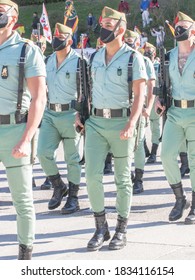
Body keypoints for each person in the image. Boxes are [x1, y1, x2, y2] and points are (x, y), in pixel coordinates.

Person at [76, 6, 147, 251]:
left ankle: (121, 229)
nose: (103, 29)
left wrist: (131, 123)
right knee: (92, 176)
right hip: (95, 123)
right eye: (103, 24)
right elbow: (87, 90)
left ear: (121, 29)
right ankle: (100, 227)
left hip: (121, 123)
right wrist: (80, 113)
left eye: (108, 25)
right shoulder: (94, 57)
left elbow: (140, 95)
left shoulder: (133, 58)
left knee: (122, 179)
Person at [0, 0, 46, 259]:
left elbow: (39, 97)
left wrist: (27, 137)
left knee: (22, 200)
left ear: (13, 16)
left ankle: (24, 257)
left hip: (15, 130)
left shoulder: (26, 50)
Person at [37, 23, 82, 215]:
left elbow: (84, 91)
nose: (55, 40)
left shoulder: (80, 62)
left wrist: (82, 114)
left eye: (60, 38)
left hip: (71, 114)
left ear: (69, 41)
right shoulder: (47, 60)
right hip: (50, 113)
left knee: (72, 159)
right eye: (54, 37)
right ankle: (58, 185)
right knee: (42, 153)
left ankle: (73, 197)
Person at [155, 11, 195, 224]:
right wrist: (157, 100)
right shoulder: (168, 56)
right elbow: (159, 83)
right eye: (177, 26)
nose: (178, 30)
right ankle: (180, 199)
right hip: (174, 113)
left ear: (193, 31)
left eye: (183, 27)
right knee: (167, 155)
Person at [124, 30, 156, 194]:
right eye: (126, 39)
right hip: (122, 108)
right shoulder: (120, 59)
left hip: (139, 106)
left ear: (138, 43)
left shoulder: (144, 60)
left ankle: (139, 179)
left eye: (132, 40)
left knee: (138, 144)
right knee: (123, 145)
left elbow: (151, 87)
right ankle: (127, 176)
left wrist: (149, 107)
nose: (129, 42)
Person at [144, 42, 161, 164]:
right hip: (142, 98)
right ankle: (144, 148)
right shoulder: (140, 63)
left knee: (156, 126)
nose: (147, 53)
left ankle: (154, 152)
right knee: (141, 126)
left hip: (155, 98)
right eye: (145, 51)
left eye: (149, 51)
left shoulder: (159, 66)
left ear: (154, 53)